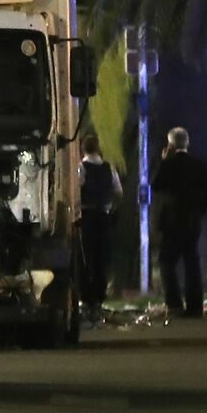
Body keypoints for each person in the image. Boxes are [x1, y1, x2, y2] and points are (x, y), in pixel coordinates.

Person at [151, 127, 207, 318]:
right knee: (192, 262)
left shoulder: (169, 165)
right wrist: (198, 211)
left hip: (171, 221)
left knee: (166, 261)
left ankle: (174, 303)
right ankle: (195, 307)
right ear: (187, 143)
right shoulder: (199, 165)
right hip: (192, 220)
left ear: (170, 145)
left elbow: (156, 185)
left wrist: (164, 161)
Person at [78, 134, 123, 323]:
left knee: (86, 257)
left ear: (83, 149)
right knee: (101, 257)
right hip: (103, 215)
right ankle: (99, 295)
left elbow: (77, 188)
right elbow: (118, 191)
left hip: (86, 215)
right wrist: (110, 206)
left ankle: (86, 297)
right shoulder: (109, 168)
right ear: (98, 148)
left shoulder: (81, 168)